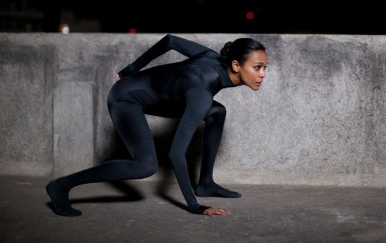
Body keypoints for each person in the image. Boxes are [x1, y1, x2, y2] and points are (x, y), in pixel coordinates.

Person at [46, 34, 268, 217]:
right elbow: (176, 153)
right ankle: (62, 185)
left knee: (217, 112)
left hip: (159, 96)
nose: (262, 75)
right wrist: (195, 207)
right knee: (146, 165)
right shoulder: (201, 93)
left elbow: (170, 40)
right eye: (257, 68)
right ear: (236, 65)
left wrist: (132, 68)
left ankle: (206, 183)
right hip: (125, 98)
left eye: (265, 68)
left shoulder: (211, 59)